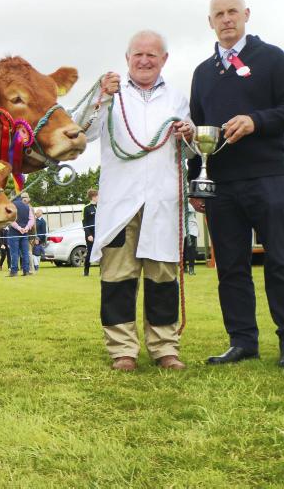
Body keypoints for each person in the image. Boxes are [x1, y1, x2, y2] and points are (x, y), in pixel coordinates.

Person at [189, 0, 284, 368]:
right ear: (210, 22)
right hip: (221, 185)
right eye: (219, 14)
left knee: (282, 260)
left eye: (232, 12)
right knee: (230, 267)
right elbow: (198, 132)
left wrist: (256, 120)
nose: (226, 19)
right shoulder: (202, 73)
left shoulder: (272, 57)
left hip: (268, 177)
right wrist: (196, 182)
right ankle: (242, 341)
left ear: (246, 14)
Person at [73, 30, 194, 371]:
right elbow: (80, 131)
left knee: (163, 278)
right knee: (117, 278)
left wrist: (187, 135)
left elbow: (191, 151)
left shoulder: (177, 99)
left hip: (162, 202)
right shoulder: (111, 93)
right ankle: (122, 350)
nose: (144, 60)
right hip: (120, 204)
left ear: (163, 59)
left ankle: (165, 348)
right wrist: (99, 97)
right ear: (127, 58)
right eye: (138, 54)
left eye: (151, 55)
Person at [6, 193, 34, 277]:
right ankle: (26, 271)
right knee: (25, 253)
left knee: (14, 253)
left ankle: (14, 271)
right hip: (25, 233)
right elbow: (31, 219)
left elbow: (11, 219)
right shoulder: (27, 206)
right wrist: (26, 228)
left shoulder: (11, 206)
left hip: (14, 233)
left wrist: (19, 228)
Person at [82, 189, 98, 276]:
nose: (99, 197)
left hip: (99, 233)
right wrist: (88, 235)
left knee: (102, 252)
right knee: (90, 252)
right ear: (93, 197)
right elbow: (84, 223)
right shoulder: (86, 208)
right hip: (91, 234)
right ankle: (86, 270)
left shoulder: (101, 207)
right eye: (97, 196)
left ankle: (103, 271)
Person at [184, 204, 198, 275]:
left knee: (191, 249)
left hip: (191, 229)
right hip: (183, 229)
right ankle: (184, 267)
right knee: (183, 250)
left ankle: (191, 268)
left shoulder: (190, 205)